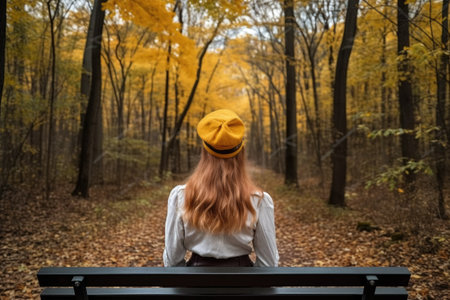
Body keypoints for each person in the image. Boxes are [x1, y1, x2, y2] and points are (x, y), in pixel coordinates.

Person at [163, 109, 279, 267]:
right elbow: (269, 263)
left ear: (204, 152)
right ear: (241, 153)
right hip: (244, 289)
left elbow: (171, 261)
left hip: (193, 288)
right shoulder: (259, 201)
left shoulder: (181, 197)